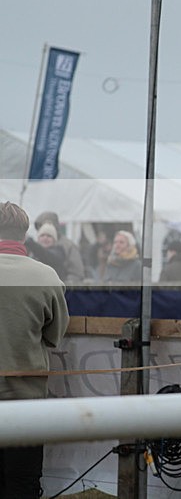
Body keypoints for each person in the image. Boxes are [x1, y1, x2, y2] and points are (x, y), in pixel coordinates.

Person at [0, 202, 70, 498]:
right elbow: (55, 335)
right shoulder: (46, 276)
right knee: (21, 485)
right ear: (24, 234)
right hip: (25, 401)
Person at [33, 211, 86, 283]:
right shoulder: (36, 247)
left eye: (48, 236)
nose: (45, 238)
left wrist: (66, 285)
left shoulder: (67, 246)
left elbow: (77, 272)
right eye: (42, 235)